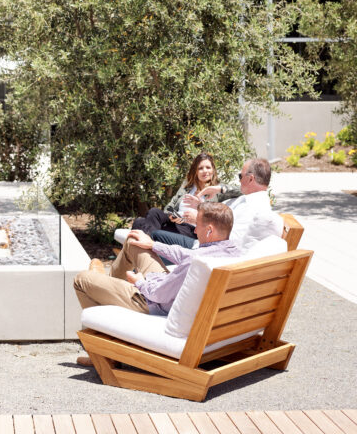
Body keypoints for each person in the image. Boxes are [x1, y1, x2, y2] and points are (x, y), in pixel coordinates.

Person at [74, 202, 239, 366]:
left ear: (209, 230)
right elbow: (188, 254)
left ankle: (101, 355)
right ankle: (105, 286)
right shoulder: (233, 252)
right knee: (134, 241)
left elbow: (158, 295)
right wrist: (153, 245)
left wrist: (139, 282)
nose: (194, 230)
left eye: (197, 226)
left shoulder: (196, 263)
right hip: (169, 288)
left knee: (82, 280)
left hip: (153, 302)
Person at [151, 158, 282, 251]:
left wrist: (198, 219)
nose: (239, 180)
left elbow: (229, 239)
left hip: (203, 249)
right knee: (149, 223)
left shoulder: (251, 207)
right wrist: (202, 205)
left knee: (154, 237)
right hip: (202, 243)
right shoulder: (246, 200)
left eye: (240, 176)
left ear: (250, 178)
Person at [117, 152, 235, 242]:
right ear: (195, 171)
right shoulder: (187, 186)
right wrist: (172, 216)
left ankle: (147, 245)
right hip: (176, 223)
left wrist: (218, 189)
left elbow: (242, 190)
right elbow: (170, 207)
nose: (205, 171)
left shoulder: (218, 190)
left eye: (208, 167)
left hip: (191, 229)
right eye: (200, 168)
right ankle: (150, 243)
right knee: (153, 212)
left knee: (139, 222)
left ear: (213, 170)